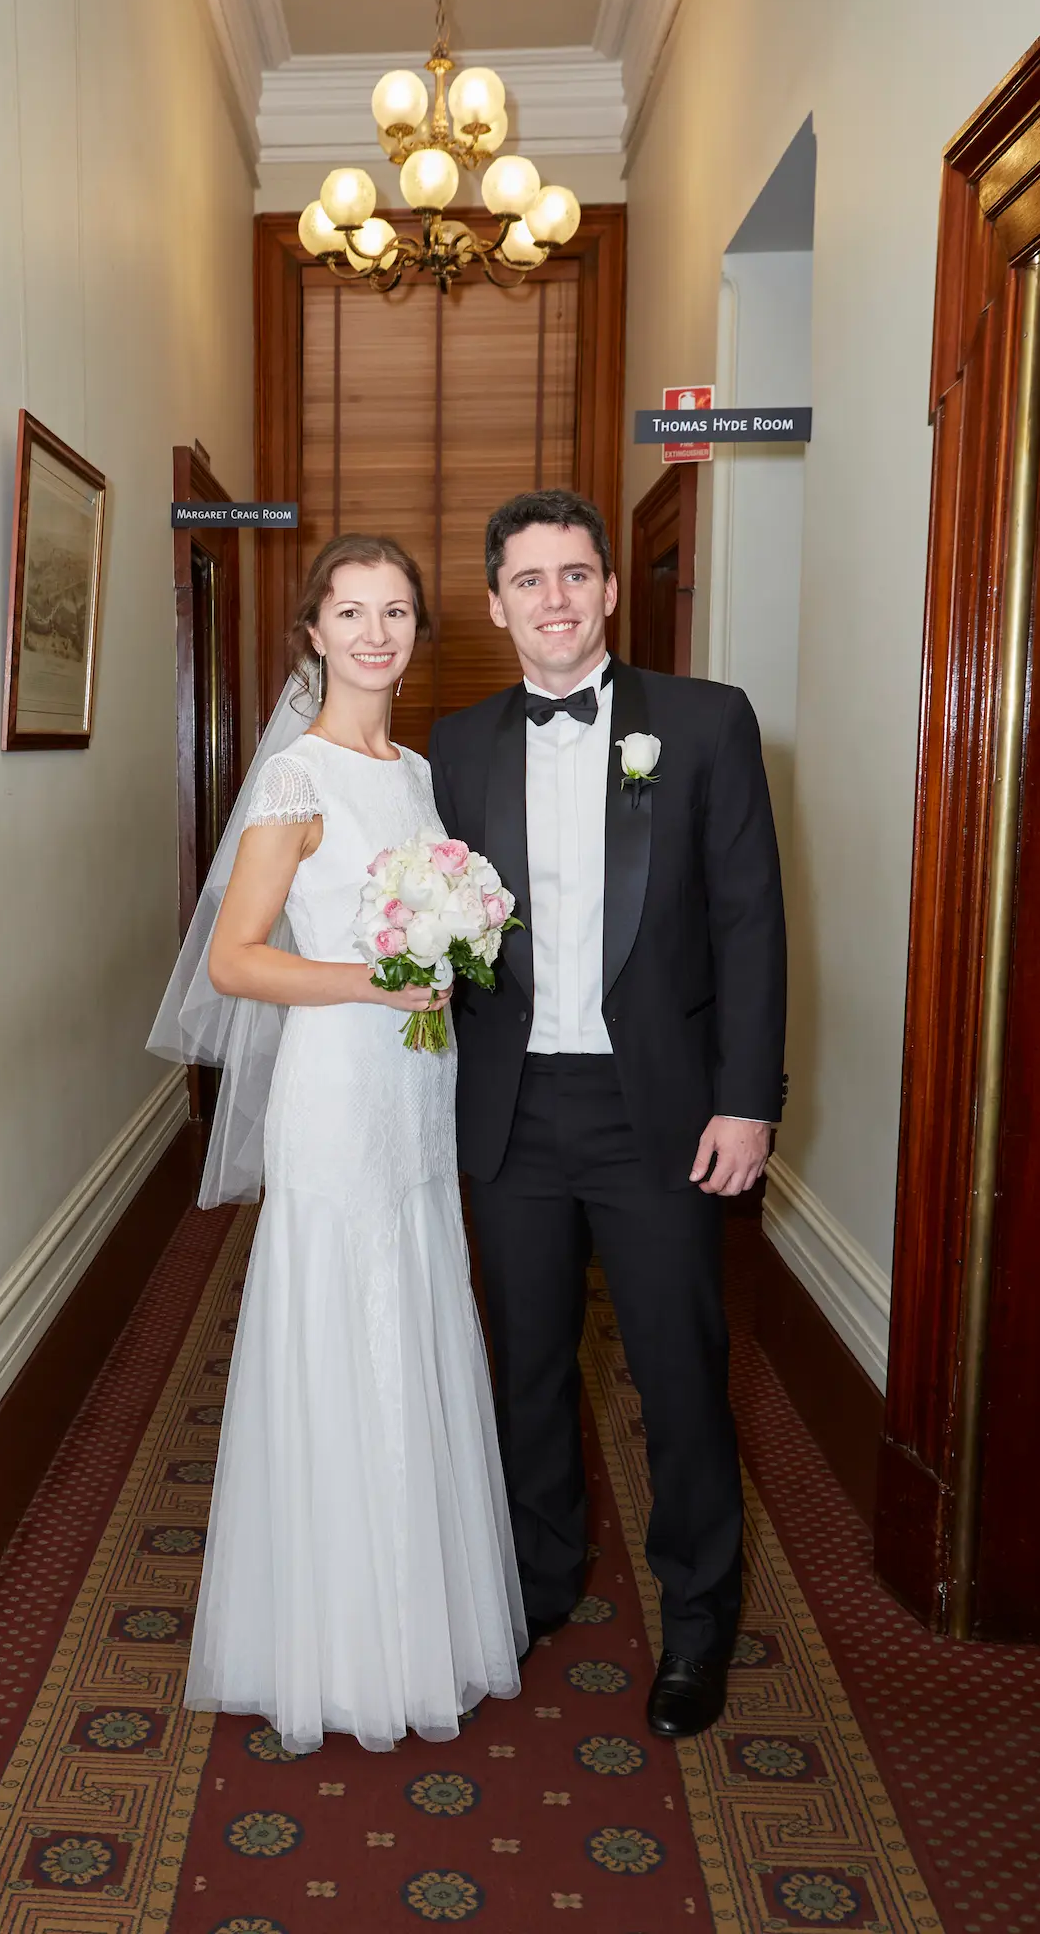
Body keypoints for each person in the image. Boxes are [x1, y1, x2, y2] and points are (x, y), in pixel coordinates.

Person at [147, 534, 526, 1756]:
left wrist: (449, 955)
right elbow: (234, 959)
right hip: (334, 1088)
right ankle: (331, 1638)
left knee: (411, 1310)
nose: (374, 632)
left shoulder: (420, 775)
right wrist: (375, 980)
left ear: (419, 630)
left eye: (395, 610)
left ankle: (416, 1618)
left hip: (416, 1089)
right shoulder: (293, 779)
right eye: (350, 611)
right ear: (313, 631)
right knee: (340, 1321)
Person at [428, 488, 786, 1741]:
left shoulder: (704, 721)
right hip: (512, 1106)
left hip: (663, 1111)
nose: (555, 598)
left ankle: (698, 1617)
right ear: (495, 604)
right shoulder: (455, 744)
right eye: (528, 579)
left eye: (575, 574)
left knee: (678, 1370)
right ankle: (540, 1577)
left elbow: (750, 922)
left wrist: (746, 1100)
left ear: (611, 590)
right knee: (525, 1362)